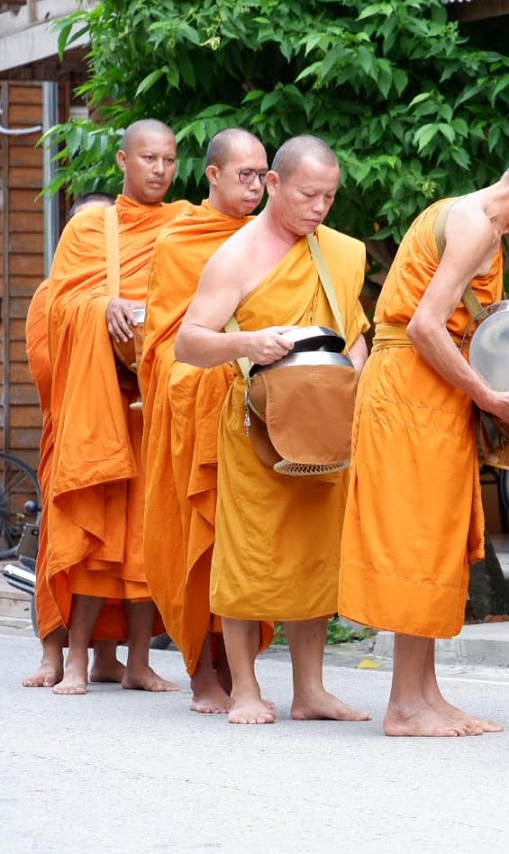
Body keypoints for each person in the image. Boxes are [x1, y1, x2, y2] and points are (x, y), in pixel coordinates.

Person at [340, 146, 509, 737]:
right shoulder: (472, 224)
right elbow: (426, 325)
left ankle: (426, 693)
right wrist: (488, 397)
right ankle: (404, 704)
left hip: (429, 396)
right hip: (410, 393)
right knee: (416, 541)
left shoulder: (477, 224)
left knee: (436, 540)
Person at [174, 135, 370, 726]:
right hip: (256, 425)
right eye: (309, 194)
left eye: (330, 196)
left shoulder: (339, 252)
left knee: (316, 552)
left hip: (324, 424)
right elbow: (189, 342)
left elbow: (354, 332)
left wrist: (353, 381)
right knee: (250, 553)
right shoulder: (235, 256)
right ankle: (245, 689)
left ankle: (310, 690)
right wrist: (248, 342)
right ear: (274, 184)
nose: (320, 208)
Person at [33, 121, 188, 696]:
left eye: (168, 159)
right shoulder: (90, 228)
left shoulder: (183, 226)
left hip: (155, 409)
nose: (159, 169)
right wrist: (102, 307)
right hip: (101, 410)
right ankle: (76, 658)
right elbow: (59, 307)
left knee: (145, 540)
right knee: (97, 540)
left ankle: (140, 661)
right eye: (148, 158)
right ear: (123, 160)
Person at [139, 129, 275, 714]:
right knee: (199, 539)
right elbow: (161, 344)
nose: (256, 186)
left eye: (262, 175)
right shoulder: (180, 240)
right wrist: (219, 368)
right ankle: (201, 671)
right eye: (245, 174)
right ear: (213, 175)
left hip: (255, 406)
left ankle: (236, 668)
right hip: (194, 407)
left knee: (245, 541)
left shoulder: (272, 238)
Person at [21, 193, 120, 688]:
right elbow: (46, 371)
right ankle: (51, 653)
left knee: (108, 548)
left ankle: (106, 655)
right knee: (62, 546)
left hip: (115, 432)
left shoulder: (118, 292)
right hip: (70, 432)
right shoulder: (50, 295)